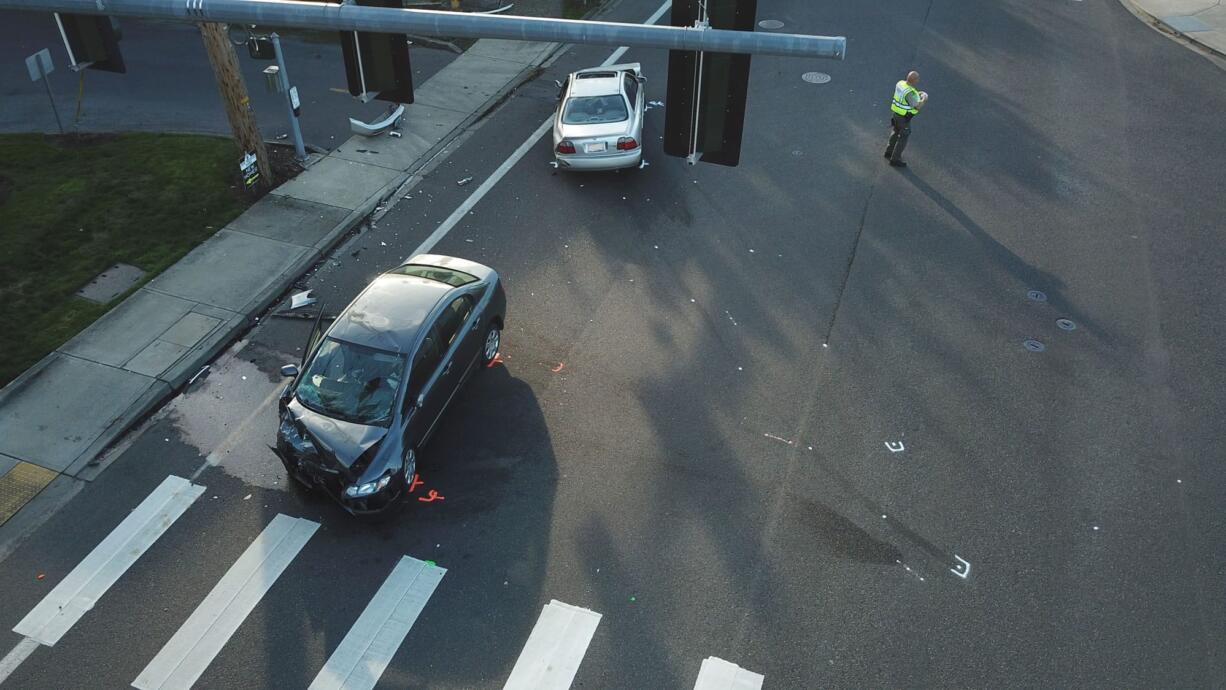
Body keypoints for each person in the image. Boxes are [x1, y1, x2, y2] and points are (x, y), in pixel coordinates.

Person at [884, 71, 928, 167]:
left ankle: (889, 151)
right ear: (914, 80)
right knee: (904, 135)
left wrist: (917, 94)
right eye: (917, 78)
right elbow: (916, 106)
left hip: (895, 114)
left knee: (896, 131)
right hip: (903, 118)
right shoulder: (909, 93)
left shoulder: (900, 84)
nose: (919, 80)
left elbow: (908, 94)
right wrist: (924, 98)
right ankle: (895, 159)